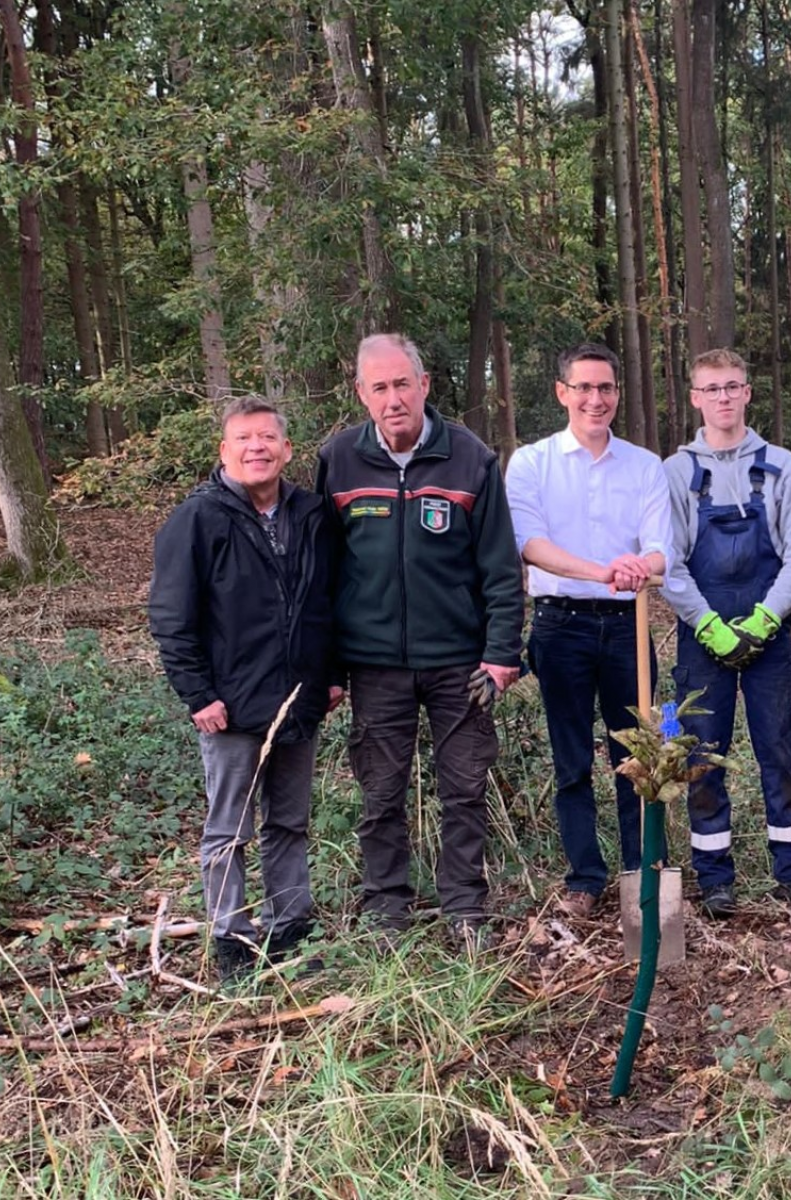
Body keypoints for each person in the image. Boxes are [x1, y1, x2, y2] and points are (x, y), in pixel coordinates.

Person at [315, 333, 524, 949]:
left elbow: (501, 569)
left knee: (464, 788)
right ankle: (387, 911)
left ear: (424, 385)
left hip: (461, 663)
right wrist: (327, 664)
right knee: (381, 793)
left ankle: (465, 908)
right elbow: (323, 573)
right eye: (378, 387)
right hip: (374, 665)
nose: (393, 397)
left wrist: (502, 652)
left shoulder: (470, 458)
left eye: (402, 383)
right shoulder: (338, 461)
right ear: (361, 394)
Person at [149, 396, 336, 984]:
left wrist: (331, 675)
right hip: (228, 706)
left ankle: (292, 925)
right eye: (243, 439)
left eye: (267, 438)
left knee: (290, 823)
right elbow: (171, 616)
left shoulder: (310, 514)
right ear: (224, 451)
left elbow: (325, 603)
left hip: (298, 700)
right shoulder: (197, 519)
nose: (257, 447)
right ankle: (231, 936)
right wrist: (197, 693)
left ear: (286, 449)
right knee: (230, 829)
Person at [505, 343, 672, 919]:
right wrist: (601, 570)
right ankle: (584, 876)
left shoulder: (645, 465)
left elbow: (660, 550)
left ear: (617, 394)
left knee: (639, 755)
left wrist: (637, 568)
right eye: (584, 388)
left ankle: (641, 871)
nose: (595, 399)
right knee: (571, 758)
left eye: (605, 388)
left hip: (630, 627)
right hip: (561, 627)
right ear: (562, 393)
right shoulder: (531, 463)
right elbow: (530, 544)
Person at [661, 349, 791, 918]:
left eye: (733, 387)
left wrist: (763, 620)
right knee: (702, 757)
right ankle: (714, 877)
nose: (723, 398)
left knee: (778, 752)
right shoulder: (676, 471)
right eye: (712, 389)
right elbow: (669, 562)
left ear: (748, 393)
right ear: (695, 397)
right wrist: (707, 624)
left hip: (768, 637)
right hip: (701, 638)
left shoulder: (781, 465)